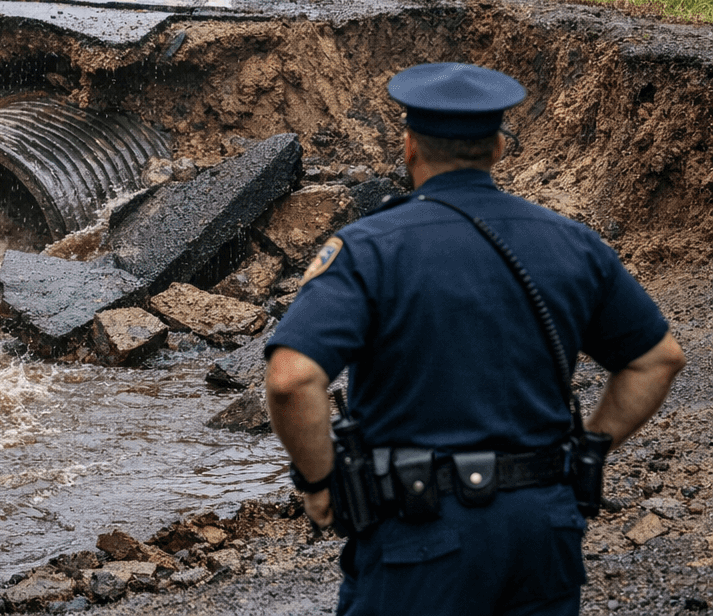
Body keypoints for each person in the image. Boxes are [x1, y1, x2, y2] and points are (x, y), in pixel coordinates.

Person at [265, 62, 685, 615]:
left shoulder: (370, 248)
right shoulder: (571, 242)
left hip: (420, 535)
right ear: (499, 150)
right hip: (543, 530)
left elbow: (292, 379)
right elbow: (658, 358)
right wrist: (587, 450)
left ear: (410, 145)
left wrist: (319, 484)